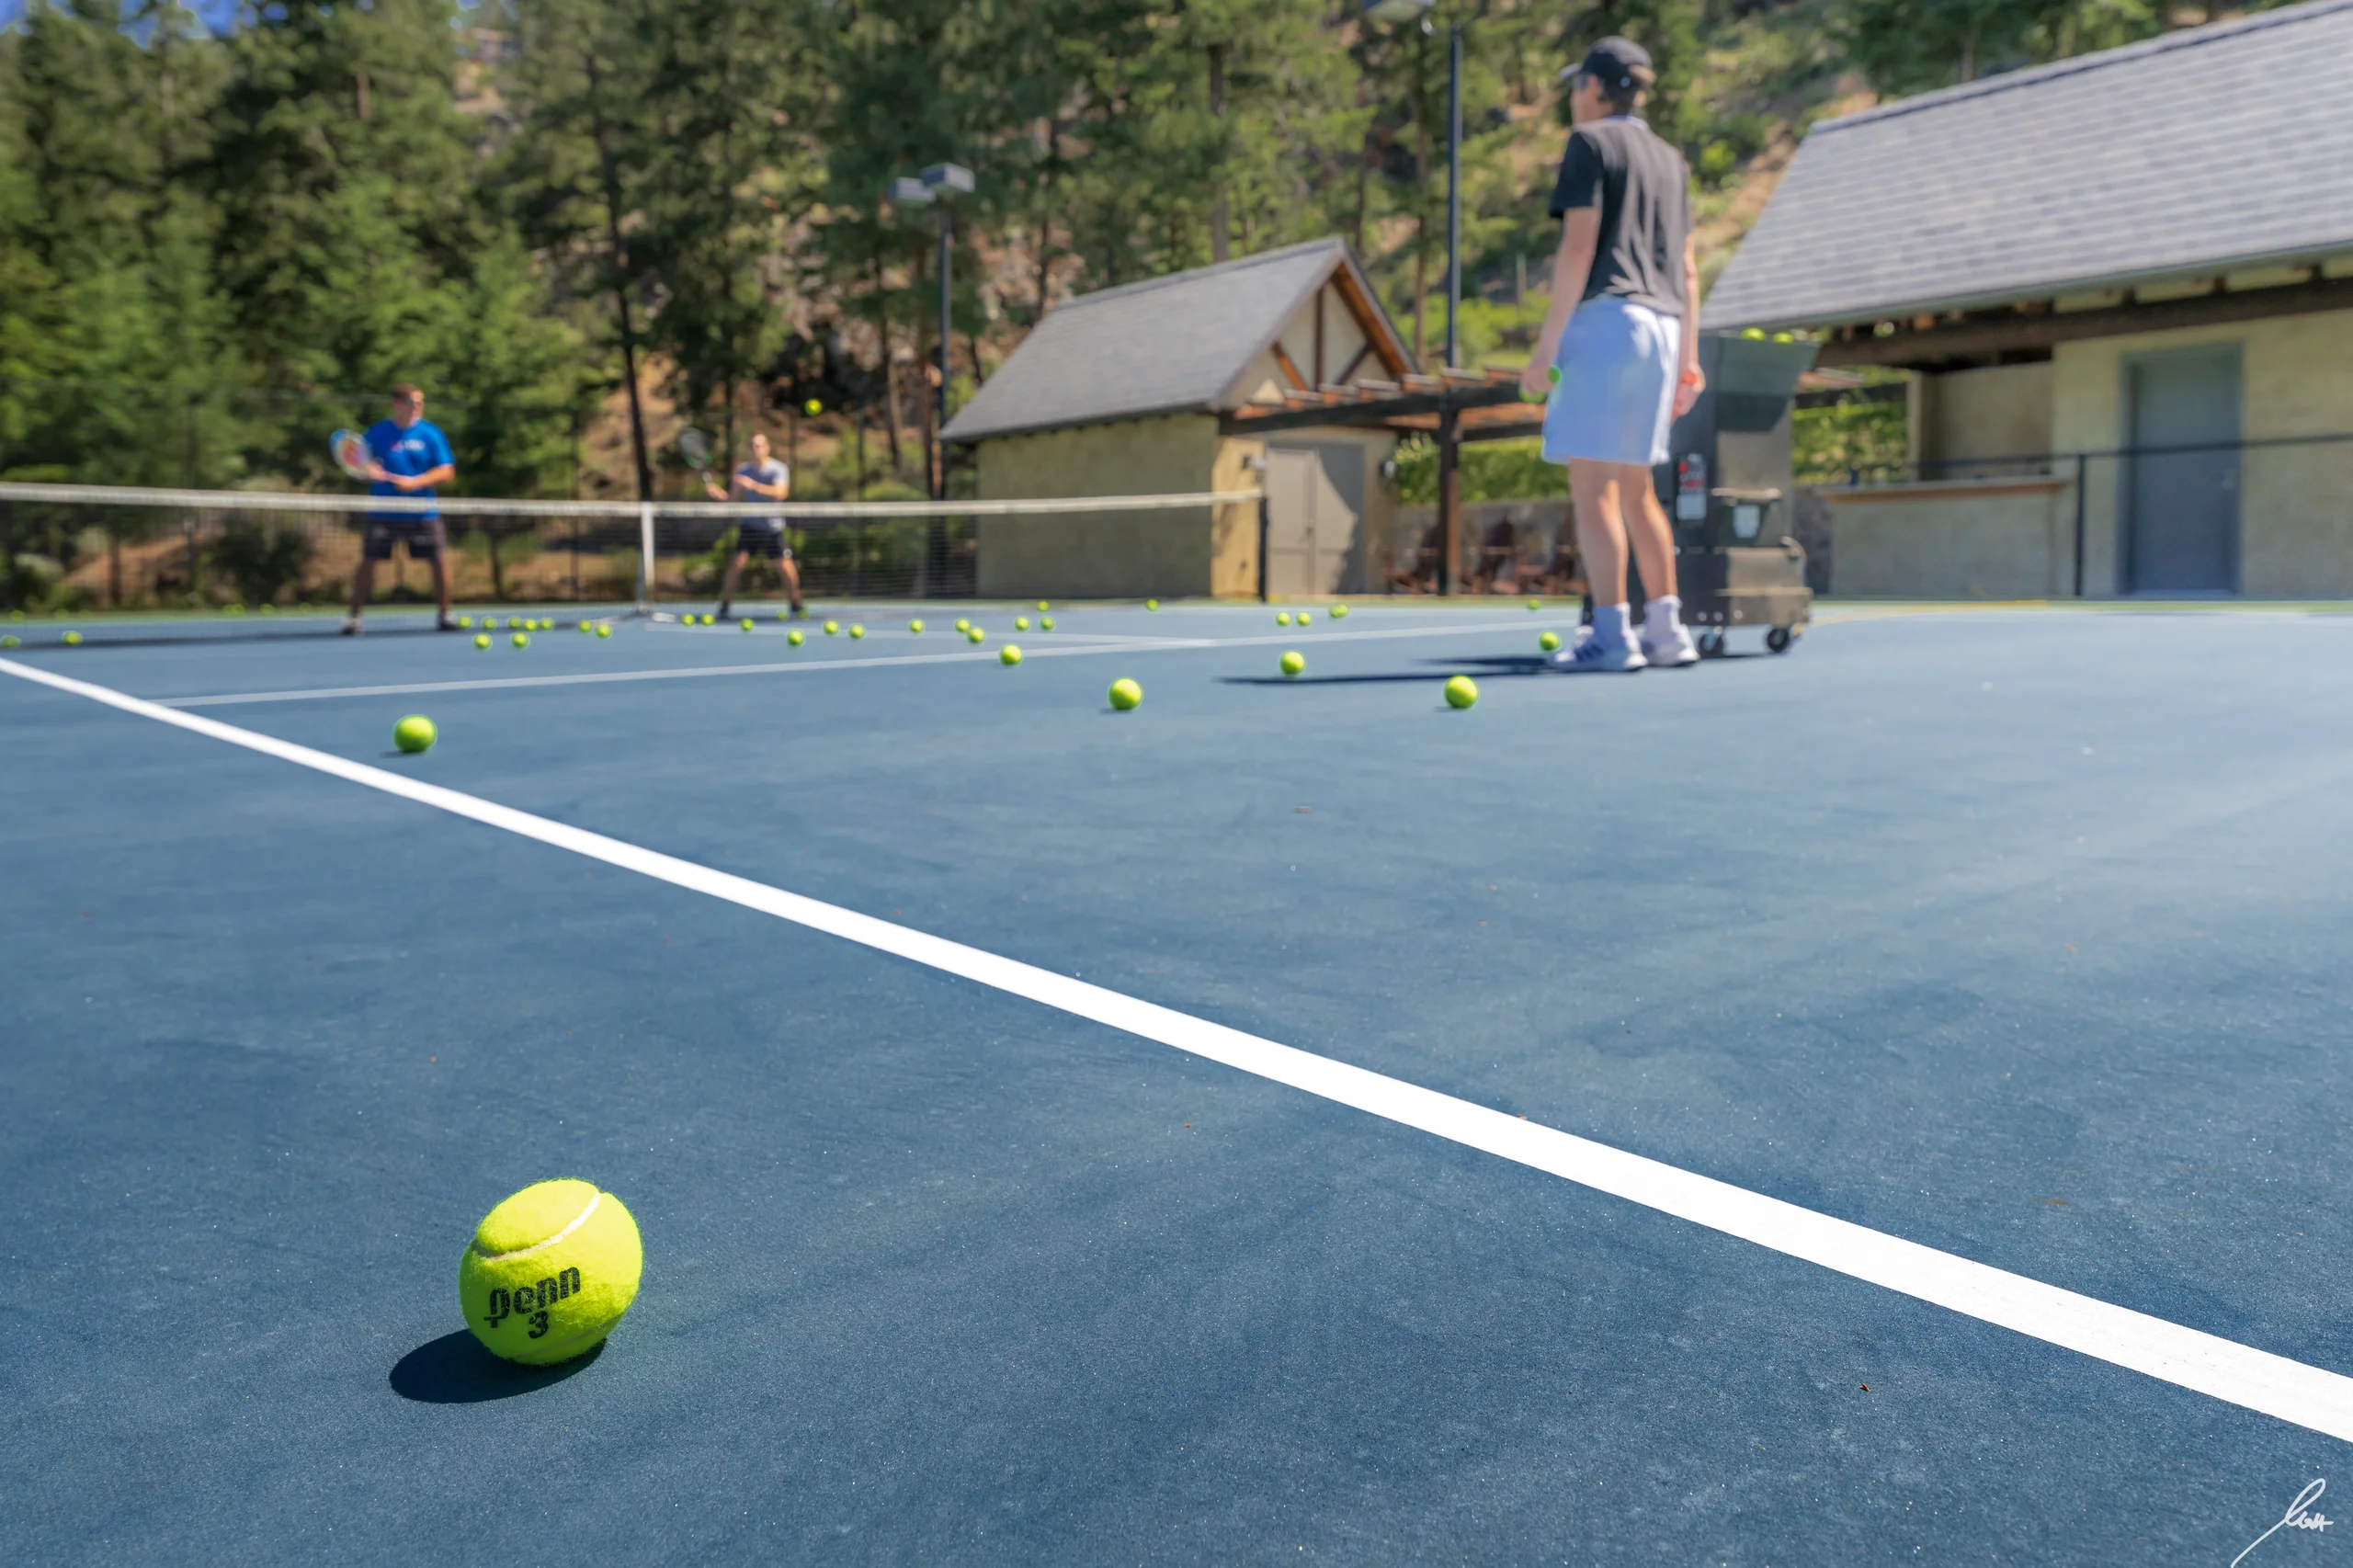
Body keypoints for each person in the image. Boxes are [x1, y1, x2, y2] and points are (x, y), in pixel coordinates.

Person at [1519, 38, 1705, 672]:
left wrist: (1546, 347)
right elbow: (1688, 270)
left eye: (1578, 86)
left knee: (1593, 489)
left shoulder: (1590, 145)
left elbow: (1579, 246)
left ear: (1597, 89)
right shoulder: (1672, 162)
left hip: (1605, 322)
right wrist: (1689, 357)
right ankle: (1667, 631)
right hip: (1662, 328)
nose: (1573, 98)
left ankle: (1610, 635)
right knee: (1638, 490)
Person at [345, 383, 458, 635]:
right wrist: (369, 470)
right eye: (411, 402)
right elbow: (359, 461)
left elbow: (446, 470)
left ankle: (445, 615)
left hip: (422, 512)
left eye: (420, 402)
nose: (417, 407)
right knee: (368, 561)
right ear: (396, 403)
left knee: (438, 561)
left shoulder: (431, 434)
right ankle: (353, 618)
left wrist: (415, 482)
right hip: (383, 511)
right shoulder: (378, 432)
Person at [710, 432, 802, 620]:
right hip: (749, 527)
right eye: (753, 445)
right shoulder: (742, 471)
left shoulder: (778, 469)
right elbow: (731, 500)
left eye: (760, 445)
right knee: (736, 564)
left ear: (767, 447)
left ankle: (795, 604)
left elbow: (781, 492)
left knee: (786, 568)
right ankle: (724, 606)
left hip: (772, 527)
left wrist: (753, 486)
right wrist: (718, 494)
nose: (756, 449)